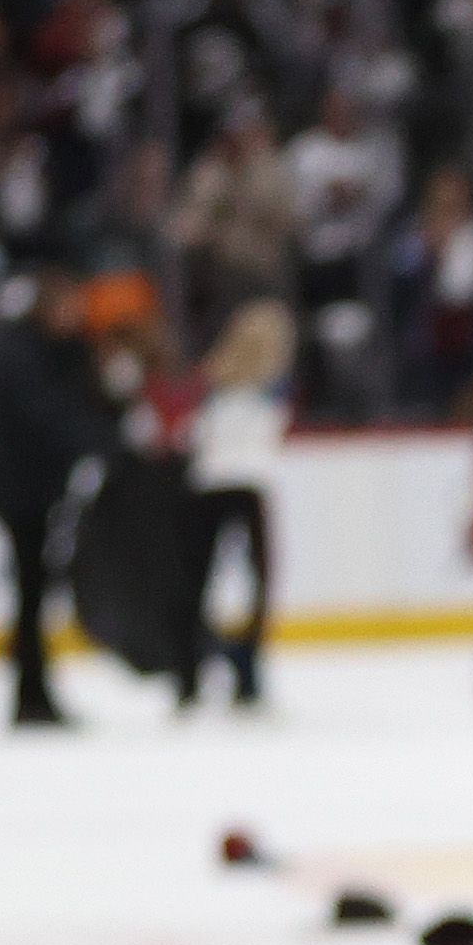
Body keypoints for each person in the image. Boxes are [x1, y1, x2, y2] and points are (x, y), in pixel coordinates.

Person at [0, 267, 118, 732]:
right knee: (30, 593)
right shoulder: (23, 352)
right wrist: (96, 439)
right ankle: (30, 694)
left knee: (36, 592)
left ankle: (34, 691)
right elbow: (46, 413)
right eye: (67, 307)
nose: (74, 315)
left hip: (40, 489)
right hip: (21, 492)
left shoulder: (62, 350)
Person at [177, 301, 291, 710]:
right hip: (245, 484)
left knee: (199, 580)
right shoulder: (269, 384)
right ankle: (243, 668)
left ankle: (193, 670)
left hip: (212, 483)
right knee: (253, 580)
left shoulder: (213, 379)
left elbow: (191, 430)